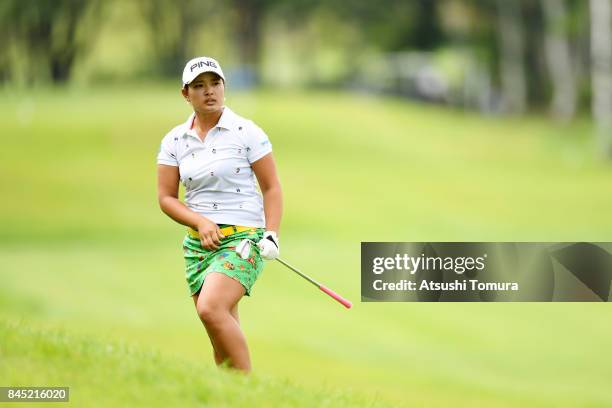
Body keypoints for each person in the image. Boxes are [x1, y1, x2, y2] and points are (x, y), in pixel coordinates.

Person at [157, 56, 283, 372]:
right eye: (199, 86)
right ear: (186, 94)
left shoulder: (246, 131)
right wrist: (199, 221)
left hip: (243, 239)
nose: (209, 91)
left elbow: (272, 187)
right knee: (219, 336)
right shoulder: (174, 140)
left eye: (215, 83)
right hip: (200, 244)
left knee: (211, 309)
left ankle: (248, 393)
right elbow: (166, 198)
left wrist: (271, 233)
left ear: (224, 87)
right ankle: (230, 397)